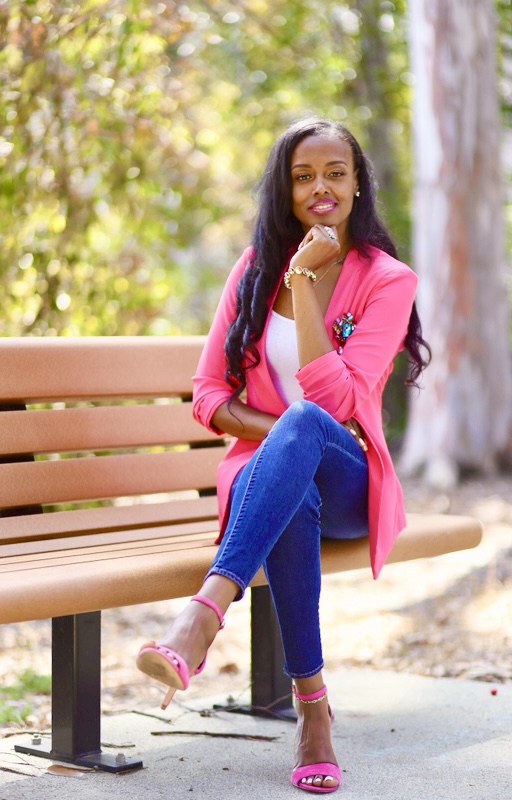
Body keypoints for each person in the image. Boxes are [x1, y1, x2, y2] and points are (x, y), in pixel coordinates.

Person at [136, 116, 430, 794]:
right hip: (274, 476)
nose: (320, 187)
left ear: (359, 184)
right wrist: (285, 444)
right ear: (285, 190)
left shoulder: (387, 279)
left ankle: (203, 614)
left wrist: (302, 280)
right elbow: (208, 393)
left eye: (335, 172)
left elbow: (335, 405)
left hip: (351, 478)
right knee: (291, 481)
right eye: (303, 176)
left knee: (304, 429)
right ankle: (314, 714)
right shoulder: (250, 269)